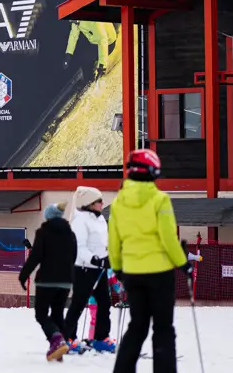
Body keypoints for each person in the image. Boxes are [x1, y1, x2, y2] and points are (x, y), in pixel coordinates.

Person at [109, 149, 189, 373]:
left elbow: (114, 242)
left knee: (137, 326)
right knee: (163, 328)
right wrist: (183, 263)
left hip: (132, 273)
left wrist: (118, 269)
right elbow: (168, 238)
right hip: (159, 274)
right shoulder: (159, 199)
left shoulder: (117, 203)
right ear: (153, 172)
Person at [19, 203, 77, 362]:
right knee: (58, 313)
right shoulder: (71, 234)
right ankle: (59, 348)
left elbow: (35, 256)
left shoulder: (43, 232)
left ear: (48, 216)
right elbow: (74, 256)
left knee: (41, 313)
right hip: (66, 281)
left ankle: (56, 339)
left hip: (47, 280)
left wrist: (23, 275)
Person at [63, 186, 112, 353]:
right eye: (99, 201)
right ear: (90, 203)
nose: (102, 203)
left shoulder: (100, 220)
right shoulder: (80, 221)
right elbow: (80, 247)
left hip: (100, 268)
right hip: (83, 269)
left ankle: (100, 338)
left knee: (105, 303)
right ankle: (68, 338)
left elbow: (102, 244)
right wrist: (95, 259)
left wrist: (108, 257)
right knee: (78, 303)